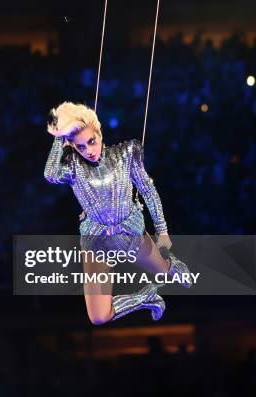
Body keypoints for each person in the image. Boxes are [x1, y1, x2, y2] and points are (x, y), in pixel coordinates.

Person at [44, 101, 191, 324]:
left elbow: (148, 190)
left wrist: (162, 230)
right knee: (99, 317)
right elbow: (50, 174)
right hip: (96, 240)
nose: (89, 151)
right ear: (72, 146)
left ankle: (173, 266)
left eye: (91, 141)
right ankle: (146, 298)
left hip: (130, 231)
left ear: (99, 131)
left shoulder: (127, 153)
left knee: (163, 270)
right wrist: (58, 135)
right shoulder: (73, 166)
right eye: (81, 147)